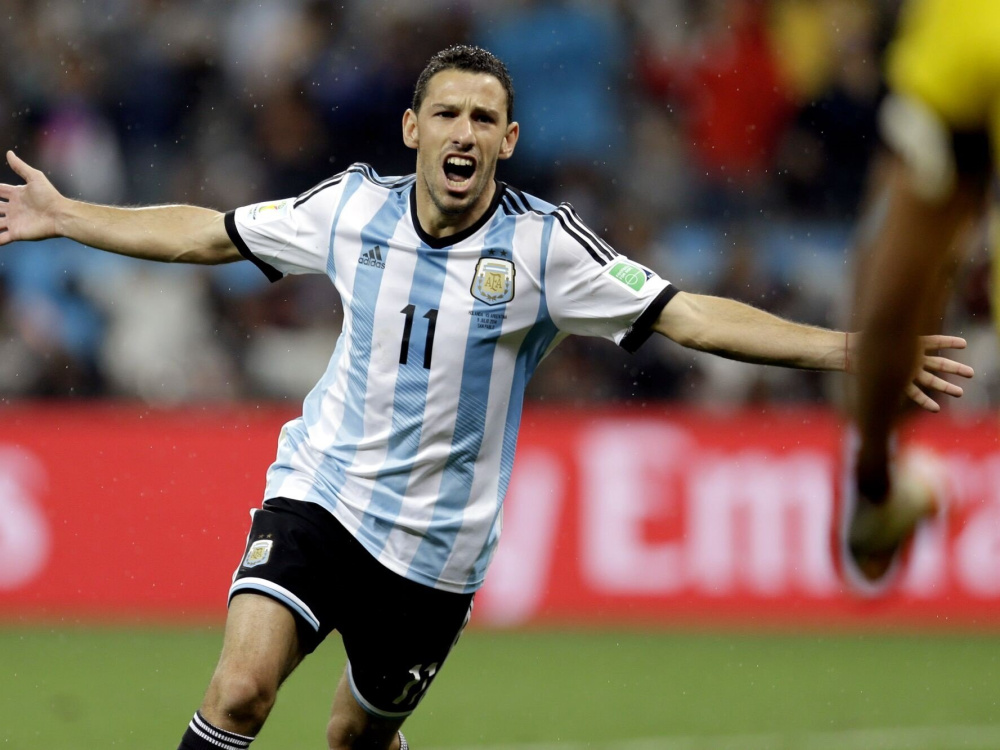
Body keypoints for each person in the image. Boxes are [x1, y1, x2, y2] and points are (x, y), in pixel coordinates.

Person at [0, 45, 972, 750]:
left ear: (506, 139)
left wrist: (855, 349)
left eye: (481, 119)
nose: (462, 133)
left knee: (353, 738)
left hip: (437, 552)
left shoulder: (546, 249)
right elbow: (208, 232)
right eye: (446, 115)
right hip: (321, 496)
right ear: (412, 129)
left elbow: (688, 317)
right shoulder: (350, 207)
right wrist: (67, 214)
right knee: (240, 690)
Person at [843, 0, 995, 589]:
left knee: (888, 297)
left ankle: (875, 480)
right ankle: (875, 478)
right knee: (888, 304)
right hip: (964, 57)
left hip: (963, 56)